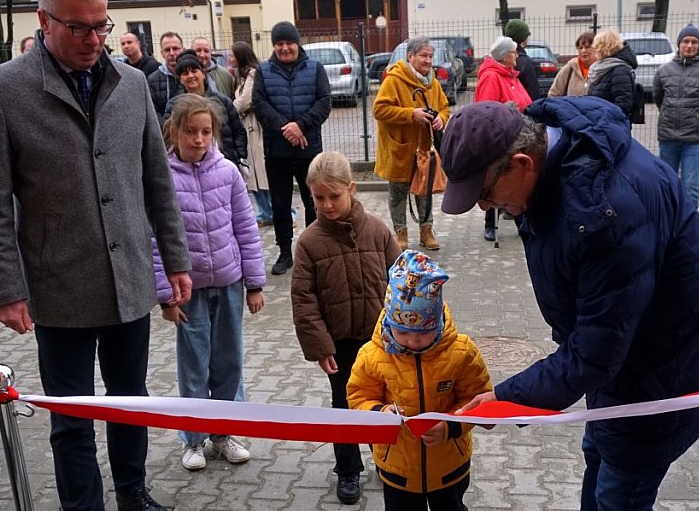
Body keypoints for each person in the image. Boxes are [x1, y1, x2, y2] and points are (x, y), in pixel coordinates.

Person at [439, 98, 699, 511]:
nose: (485, 208)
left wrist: (506, 399)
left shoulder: (604, 217)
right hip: (622, 369)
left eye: (485, 193)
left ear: (523, 163)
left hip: (659, 380)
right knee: (598, 454)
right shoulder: (560, 171)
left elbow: (596, 353)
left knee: (619, 490)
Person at [0, 0, 192, 510]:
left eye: (101, 25)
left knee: (132, 403)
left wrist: (175, 260)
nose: (93, 38)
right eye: (78, 27)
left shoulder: (131, 84)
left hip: (129, 283)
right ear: (44, 20)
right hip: (58, 286)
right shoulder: (4, 90)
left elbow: (157, 180)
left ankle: (133, 493)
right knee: (71, 416)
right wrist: (6, 288)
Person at [155, 93, 265, 471]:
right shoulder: (162, 177)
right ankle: (194, 438)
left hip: (230, 284)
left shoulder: (227, 172)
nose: (199, 140)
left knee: (228, 363)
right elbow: (156, 239)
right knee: (194, 366)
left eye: (205, 132)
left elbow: (246, 229)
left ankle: (225, 433)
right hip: (187, 292)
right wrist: (165, 296)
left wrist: (254, 283)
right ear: (174, 131)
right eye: (190, 132)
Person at [291, 151, 400, 505]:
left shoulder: (379, 231)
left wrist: (404, 331)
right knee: (345, 404)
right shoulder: (308, 243)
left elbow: (401, 282)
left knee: (384, 402)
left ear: (352, 189)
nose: (326, 205)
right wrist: (320, 346)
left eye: (333, 196)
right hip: (339, 344)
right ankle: (348, 470)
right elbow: (303, 299)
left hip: (380, 340)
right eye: (318, 198)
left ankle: (387, 461)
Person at [347, 249, 493, 511]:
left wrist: (450, 427)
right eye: (402, 332)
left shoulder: (461, 352)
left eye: (423, 333)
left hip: (448, 464)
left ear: (436, 323)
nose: (413, 341)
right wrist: (380, 412)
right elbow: (359, 396)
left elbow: (478, 399)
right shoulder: (372, 354)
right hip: (398, 468)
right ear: (390, 321)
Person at [252, 21, 332, 275]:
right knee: (280, 203)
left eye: (289, 43)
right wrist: (285, 128)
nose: (284, 48)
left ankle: (314, 250)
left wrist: (300, 126)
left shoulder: (316, 68)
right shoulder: (263, 72)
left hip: (309, 150)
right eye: (279, 44)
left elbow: (324, 102)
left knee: (314, 201)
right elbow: (260, 104)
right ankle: (285, 252)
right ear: (274, 46)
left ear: (297, 43)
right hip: (277, 151)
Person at [374, 36, 449, 251]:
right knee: (398, 193)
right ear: (410, 56)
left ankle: (427, 231)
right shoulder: (394, 79)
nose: (427, 61)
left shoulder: (432, 82)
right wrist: (410, 114)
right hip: (400, 147)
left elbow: (445, 107)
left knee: (424, 192)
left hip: (424, 148)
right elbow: (379, 110)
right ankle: (400, 233)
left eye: (430, 56)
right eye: (423, 56)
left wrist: (441, 119)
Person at [654, 24, 699, 210]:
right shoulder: (664, 71)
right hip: (668, 138)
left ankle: (689, 227)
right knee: (667, 184)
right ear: (679, 44)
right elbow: (659, 99)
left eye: (694, 42)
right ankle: (668, 224)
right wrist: (669, 114)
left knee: (690, 188)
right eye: (686, 41)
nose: (690, 45)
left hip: (693, 140)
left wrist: (697, 118)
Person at [230, 40, 297, 228]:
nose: (229, 58)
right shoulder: (241, 76)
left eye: (232, 55)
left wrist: (229, 108)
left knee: (264, 174)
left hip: (257, 131)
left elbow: (244, 102)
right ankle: (266, 212)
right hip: (248, 130)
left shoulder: (252, 74)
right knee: (254, 175)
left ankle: (287, 213)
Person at [475, 35, 533, 242]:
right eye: (512, 52)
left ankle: (521, 221)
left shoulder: (511, 75)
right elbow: (486, 109)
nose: (516, 55)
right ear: (502, 56)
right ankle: (490, 224)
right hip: (502, 138)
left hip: (521, 136)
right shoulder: (492, 76)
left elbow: (525, 102)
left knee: (516, 180)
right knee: (497, 179)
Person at [165, 50, 247, 166]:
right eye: (185, 73)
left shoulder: (223, 101)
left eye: (194, 71)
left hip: (225, 164)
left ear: (203, 74)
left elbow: (239, 131)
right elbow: (169, 138)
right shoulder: (174, 106)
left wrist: (237, 156)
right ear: (180, 79)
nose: (190, 76)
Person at [586, 29, 637, 119]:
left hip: (609, 124)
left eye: (596, 47)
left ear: (604, 48)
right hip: (598, 122)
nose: (594, 50)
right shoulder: (600, 67)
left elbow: (623, 105)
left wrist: (600, 116)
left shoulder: (620, 71)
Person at [147, 31, 183, 122]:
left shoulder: (191, 76)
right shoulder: (152, 80)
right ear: (161, 53)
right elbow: (152, 112)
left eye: (175, 48)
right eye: (167, 50)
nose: (171, 53)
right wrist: (166, 131)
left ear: (183, 50)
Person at [504, 18, 541, 101]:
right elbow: (533, 91)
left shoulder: (501, 58)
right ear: (524, 38)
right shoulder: (525, 62)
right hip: (523, 108)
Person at [548, 31, 595, 97]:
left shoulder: (601, 69)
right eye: (580, 48)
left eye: (587, 47)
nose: (583, 51)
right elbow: (553, 94)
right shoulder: (569, 68)